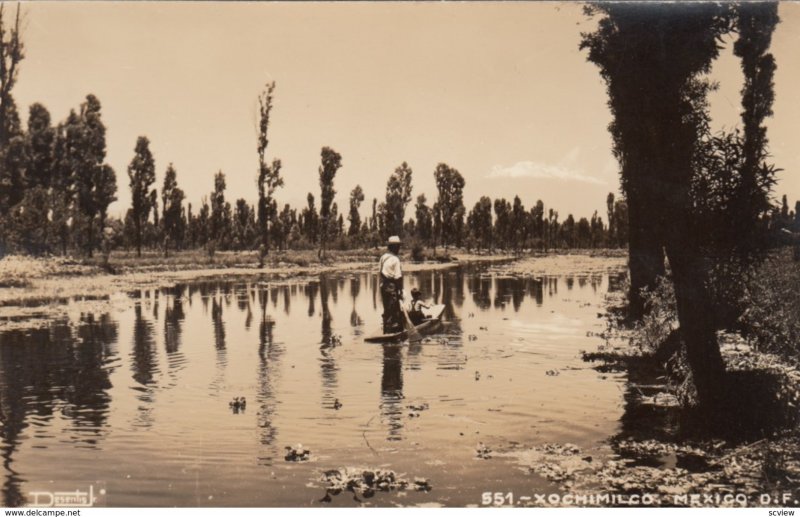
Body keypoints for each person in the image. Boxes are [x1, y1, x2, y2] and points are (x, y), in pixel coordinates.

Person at [379, 236, 404, 333]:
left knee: (387, 309)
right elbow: (398, 277)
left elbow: (380, 272)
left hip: (383, 286)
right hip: (391, 286)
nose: (399, 249)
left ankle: (386, 329)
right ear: (393, 247)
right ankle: (394, 330)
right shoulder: (395, 259)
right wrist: (400, 291)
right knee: (394, 309)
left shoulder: (382, 258)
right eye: (398, 247)